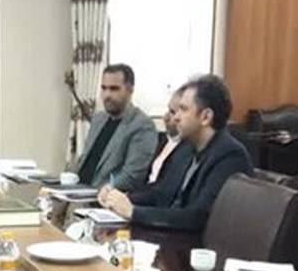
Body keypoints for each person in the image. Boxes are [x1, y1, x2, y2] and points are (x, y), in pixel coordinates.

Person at [98, 74, 253, 232]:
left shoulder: (230, 156)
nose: (176, 117)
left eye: (183, 109)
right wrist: (119, 198)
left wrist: (134, 212)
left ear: (206, 117)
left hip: (193, 243)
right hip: (169, 235)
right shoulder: (186, 147)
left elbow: (198, 217)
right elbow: (161, 193)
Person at [71, 64, 157, 191]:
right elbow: (84, 161)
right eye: (104, 88)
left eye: (114, 89)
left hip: (102, 197)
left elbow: (131, 177)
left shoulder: (142, 126)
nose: (107, 95)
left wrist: (100, 191)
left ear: (130, 90)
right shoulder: (99, 119)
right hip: (76, 191)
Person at [149, 88, 184, 184]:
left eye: (173, 112)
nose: (165, 117)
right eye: (168, 110)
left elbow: (164, 188)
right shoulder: (161, 140)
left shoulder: (187, 151)